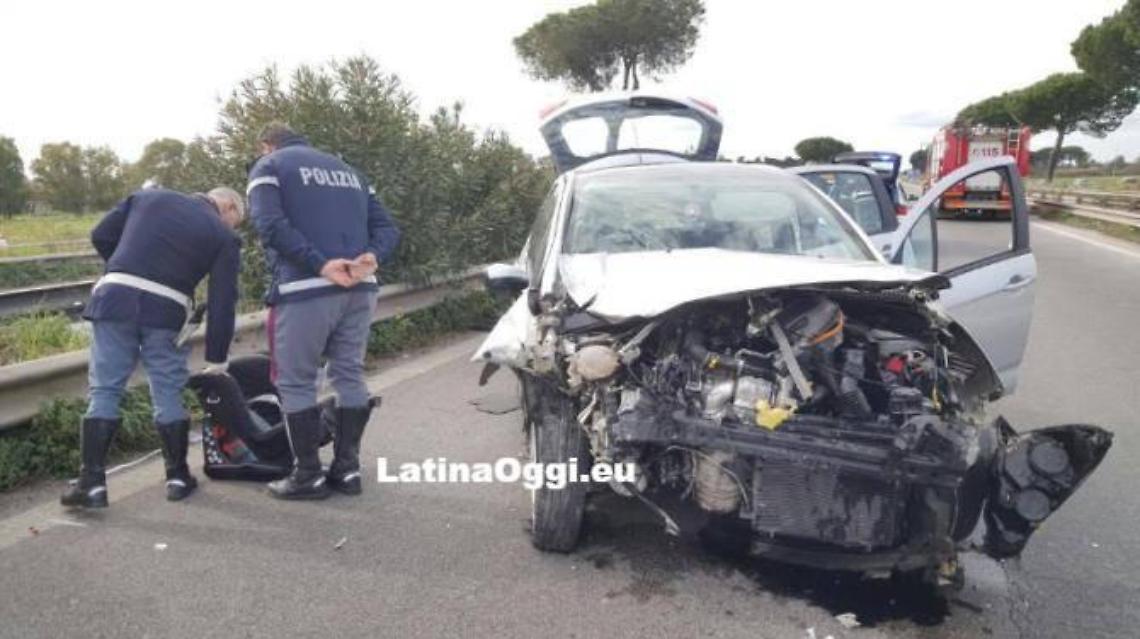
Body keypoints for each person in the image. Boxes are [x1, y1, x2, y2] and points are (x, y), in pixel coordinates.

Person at [62, 187, 245, 508]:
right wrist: (217, 358)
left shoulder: (149, 197)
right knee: (167, 390)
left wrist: (123, 269)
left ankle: (91, 485)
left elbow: (101, 235)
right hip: (167, 312)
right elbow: (222, 300)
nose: (233, 227)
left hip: (114, 301)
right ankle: (178, 477)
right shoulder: (223, 235)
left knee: (105, 389)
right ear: (228, 206)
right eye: (236, 220)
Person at [247, 123, 400, 500]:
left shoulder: (269, 167)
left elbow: (269, 225)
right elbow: (387, 228)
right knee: (349, 374)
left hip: (304, 288)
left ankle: (307, 476)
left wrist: (319, 264)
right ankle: (347, 471)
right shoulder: (351, 172)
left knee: (295, 381)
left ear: (267, 145)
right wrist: (371, 257)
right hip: (360, 288)